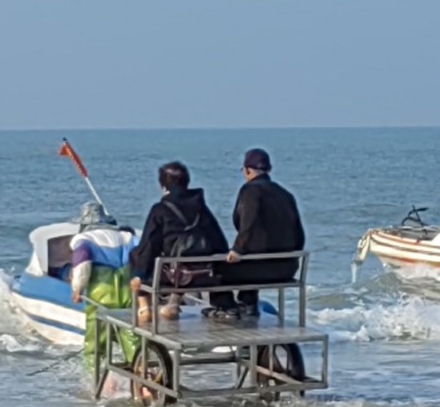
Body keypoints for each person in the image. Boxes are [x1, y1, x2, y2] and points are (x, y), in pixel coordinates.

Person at [128, 162, 229, 324]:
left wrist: (139, 274)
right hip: (203, 274)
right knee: (182, 261)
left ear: (163, 185)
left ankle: (144, 308)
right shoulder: (201, 208)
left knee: (135, 253)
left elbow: (149, 244)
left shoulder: (160, 209)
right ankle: (173, 304)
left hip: (173, 274)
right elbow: (218, 241)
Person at [222, 148, 305, 317]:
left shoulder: (249, 191)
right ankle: (248, 302)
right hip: (287, 268)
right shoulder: (286, 194)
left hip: (260, 269)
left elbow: (247, 223)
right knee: (255, 254)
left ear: (247, 170)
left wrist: (238, 249)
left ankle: (227, 308)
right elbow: (299, 236)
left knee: (217, 267)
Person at [69, 201, 137, 361]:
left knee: (96, 340)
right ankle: (143, 372)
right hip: (128, 291)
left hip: (101, 292)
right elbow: (144, 254)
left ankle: (96, 379)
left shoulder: (84, 239)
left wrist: (77, 288)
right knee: (131, 335)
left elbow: (82, 261)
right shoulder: (126, 236)